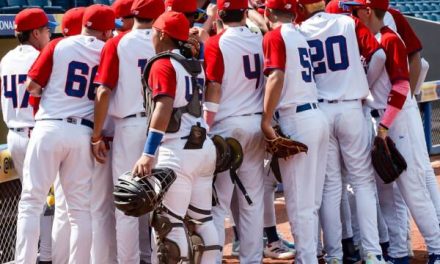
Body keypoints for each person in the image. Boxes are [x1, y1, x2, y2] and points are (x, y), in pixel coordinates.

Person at [15, 5, 115, 264]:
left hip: (49, 126)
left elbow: (32, 86)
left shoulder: (59, 44)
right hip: (83, 132)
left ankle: (24, 261)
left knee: (31, 201)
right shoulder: (108, 50)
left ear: (84, 24)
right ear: (106, 30)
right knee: (80, 211)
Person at [296, 0, 387, 263]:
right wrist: (363, 85)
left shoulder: (299, 30)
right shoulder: (348, 22)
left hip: (320, 109)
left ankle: (334, 254)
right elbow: (379, 55)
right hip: (350, 107)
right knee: (362, 182)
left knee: (330, 187)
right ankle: (372, 252)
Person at [352, 0, 440, 263]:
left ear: (368, 11)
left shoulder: (390, 40)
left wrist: (384, 126)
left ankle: (436, 248)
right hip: (380, 120)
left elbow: (401, 88)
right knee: (387, 192)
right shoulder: (374, 39)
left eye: (357, 9)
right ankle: (399, 252)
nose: (353, 14)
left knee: (412, 189)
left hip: (395, 121)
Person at [132, 11, 220, 263]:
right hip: (203, 147)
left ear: (161, 34)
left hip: (177, 151)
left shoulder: (162, 63)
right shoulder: (193, 63)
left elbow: (164, 107)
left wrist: (148, 153)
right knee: (202, 220)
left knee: (168, 224)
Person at [92, 0, 165, 263]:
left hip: (129, 126)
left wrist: (97, 135)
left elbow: (103, 91)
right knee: (161, 202)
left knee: (127, 202)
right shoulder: (169, 40)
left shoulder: (117, 43)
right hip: (164, 126)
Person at [262, 0, 329, 262]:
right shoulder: (300, 34)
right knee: (310, 202)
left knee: (300, 202)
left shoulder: (275, 35)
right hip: (315, 115)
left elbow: (275, 76)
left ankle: (307, 258)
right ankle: (312, 254)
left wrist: (266, 120)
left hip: (296, 118)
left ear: (268, 12)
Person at [203, 0, 265, 262]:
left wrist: (205, 126)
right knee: (252, 201)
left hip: (227, 126)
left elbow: (214, 87)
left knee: (218, 204)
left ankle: (214, 259)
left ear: (220, 14)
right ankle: (253, 259)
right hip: (256, 123)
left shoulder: (217, 42)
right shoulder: (258, 39)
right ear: (244, 13)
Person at [0, 8, 55, 264]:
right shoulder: (42, 57)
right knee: (44, 201)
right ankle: (43, 256)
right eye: (46, 30)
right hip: (37, 133)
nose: (49, 34)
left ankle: (34, 257)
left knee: (32, 200)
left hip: (15, 134)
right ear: (35, 33)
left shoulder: (7, 59)